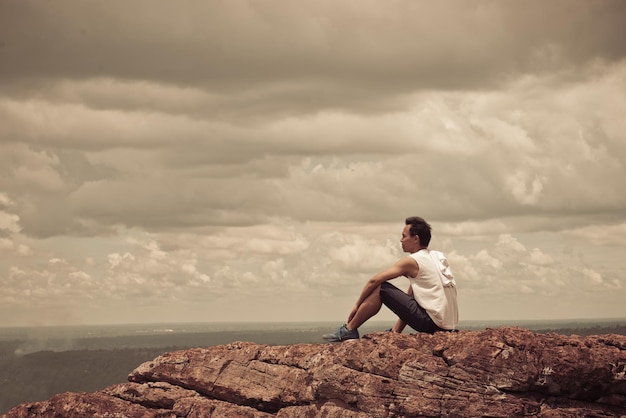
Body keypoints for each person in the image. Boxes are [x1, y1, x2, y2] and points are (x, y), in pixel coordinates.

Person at [323, 216, 458, 342]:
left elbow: (374, 281)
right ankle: (393, 331)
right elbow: (413, 297)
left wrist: (356, 306)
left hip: (431, 323)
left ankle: (349, 329)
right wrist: (396, 331)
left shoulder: (412, 261)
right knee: (410, 294)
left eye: (404, 236)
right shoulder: (438, 257)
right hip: (447, 326)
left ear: (415, 239)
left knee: (381, 288)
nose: (401, 240)